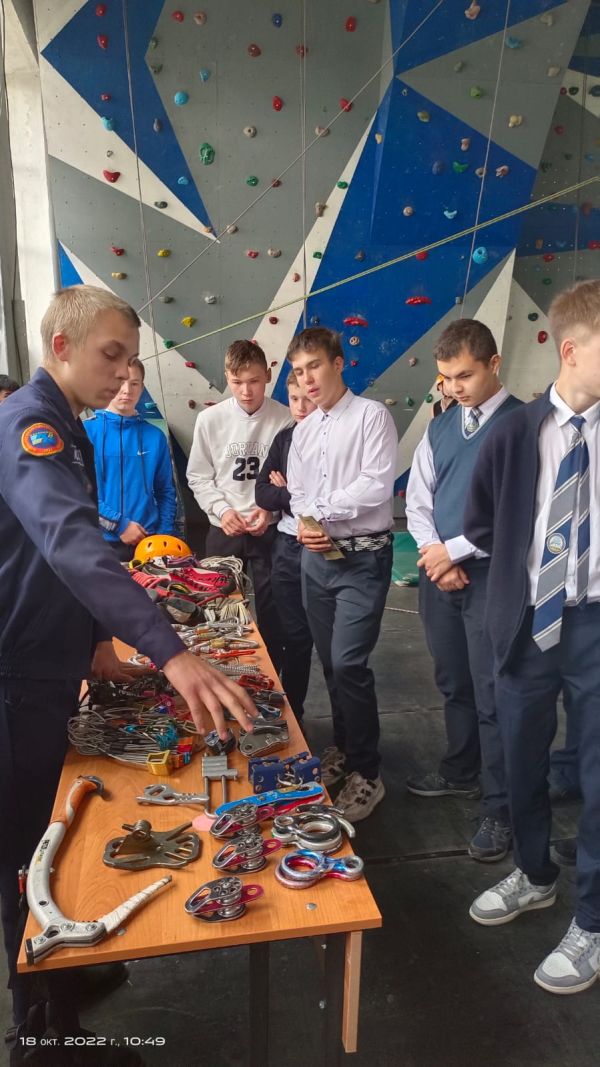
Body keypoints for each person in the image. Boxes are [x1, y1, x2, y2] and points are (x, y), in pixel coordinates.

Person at [0, 286, 256, 1061]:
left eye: (130, 358)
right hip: (15, 678)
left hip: (46, 665)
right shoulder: (31, 426)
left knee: (51, 834)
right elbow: (71, 544)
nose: (123, 372)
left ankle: (63, 982)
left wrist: (99, 650)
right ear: (61, 346)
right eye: (110, 354)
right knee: (25, 853)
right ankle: (40, 1033)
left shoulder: (68, 427)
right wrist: (171, 652)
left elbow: (63, 559)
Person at [465, 279, 600, 995]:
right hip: (529, 620)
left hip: (598, 622)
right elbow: (482, 521)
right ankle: (534, 871)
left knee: (599, 774)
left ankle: (594, 920)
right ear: (570, 350)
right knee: (521, 756)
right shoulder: (516, 433)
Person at [405, 320, 522, 862]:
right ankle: (460, 771)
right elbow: (418, 498)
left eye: (465, 376)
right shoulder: (442, 426)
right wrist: (435, 553)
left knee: (494, 692)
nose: (455, 388)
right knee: (454, 682)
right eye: (446, 378)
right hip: (441, 576)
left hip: (493, 579)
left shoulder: (524, 424)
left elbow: (519, 510)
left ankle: (501, 806)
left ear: (494, 364)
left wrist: (455, 551)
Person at [286, 327, 397, 821]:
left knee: (350, 662)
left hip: (362, 560)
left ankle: (369, 773)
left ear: (337, 363)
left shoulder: (372, 416)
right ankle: (346, 749)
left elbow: (376, 485)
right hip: (317, 559)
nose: (307, 378)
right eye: (298, 371)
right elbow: (297, 492)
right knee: (330, 663)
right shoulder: (304, 430)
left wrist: (320, 512)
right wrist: (307, 523)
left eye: (314, 366)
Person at [186, 339, 292, 669]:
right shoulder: (210, 419)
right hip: (225, 528)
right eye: (237, 382)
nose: (246, 391)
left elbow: (291, 480)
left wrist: (270, 508)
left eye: (254, 381)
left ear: (268, 376)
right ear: (226, 377)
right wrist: (223, 510)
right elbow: (198, 476)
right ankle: (226, 677)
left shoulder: (286, 418)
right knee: (219, 611)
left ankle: (275, 680)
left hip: (269, 530)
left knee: (275, 615)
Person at [255, 369, 316, 720]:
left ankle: (298, 710)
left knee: (310, 637)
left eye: (308, 398)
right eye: (294, 399)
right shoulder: (285, 438)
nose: (301, 407)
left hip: (320, 544)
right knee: (286, 632)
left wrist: (289, 491)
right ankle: (285, 709)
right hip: (286, 545)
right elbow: (262, 493)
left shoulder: (333, 437)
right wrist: (292, 494)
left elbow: (324, 498)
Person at [84, 358, 177, 561]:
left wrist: (163, 536)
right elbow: (78, 493)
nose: (127, 390)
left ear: (142, 388)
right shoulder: (86, 432)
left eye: (134, 383)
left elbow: (166, 492)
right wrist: (120, 525)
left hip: (149, 543)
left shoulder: (155, 436)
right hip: (99, 543)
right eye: (120, 381)